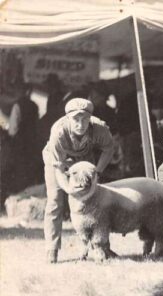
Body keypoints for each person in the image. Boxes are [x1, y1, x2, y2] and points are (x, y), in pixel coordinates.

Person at [42, 98, 115, 263]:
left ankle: (102, 246)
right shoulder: (58, 133)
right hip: (57, 161)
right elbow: (59, 169)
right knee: (55, 200)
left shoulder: (100, 129)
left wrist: (97, 171)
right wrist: (68, 188)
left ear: (90, 118)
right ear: (68, 118)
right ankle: (51, 249)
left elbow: (108, 149)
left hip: (84, 158)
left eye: (84, 119)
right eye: (76, 119)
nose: (80, 124)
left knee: (93, 199)